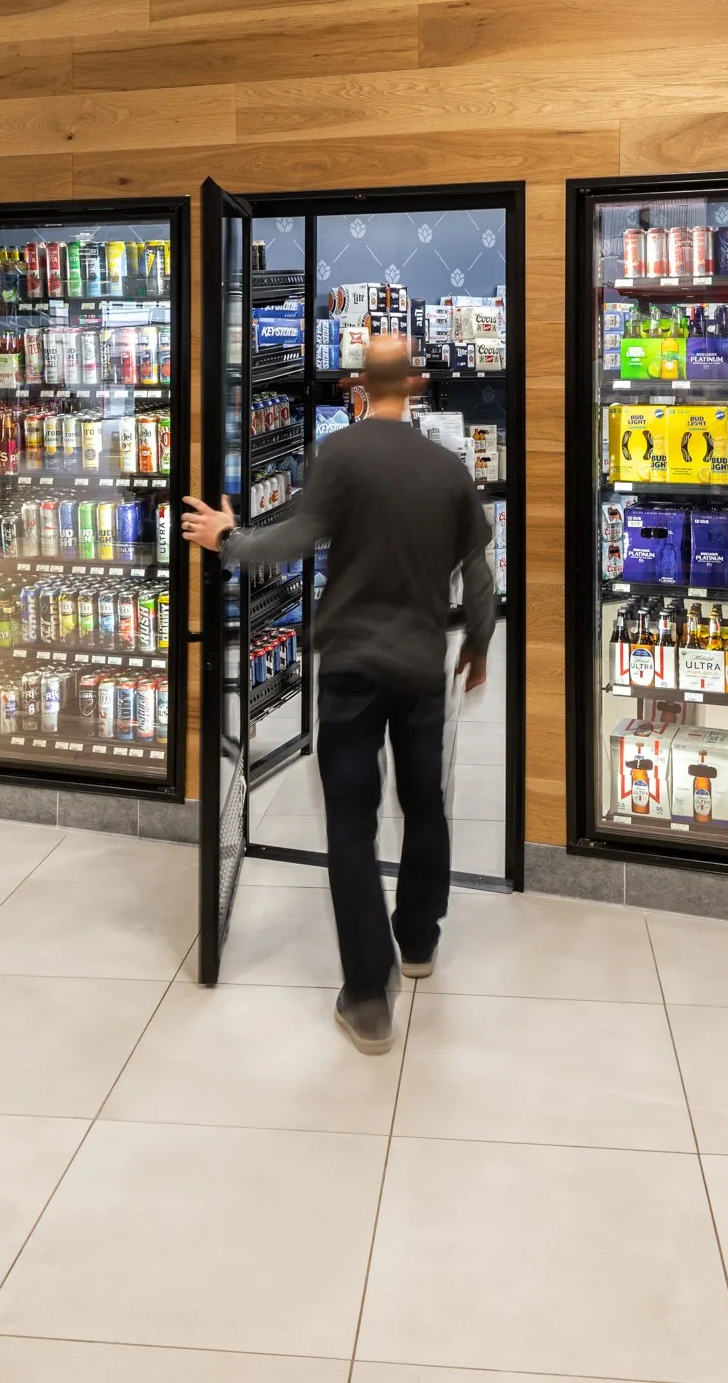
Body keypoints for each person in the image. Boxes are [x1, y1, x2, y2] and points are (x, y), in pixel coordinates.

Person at [184, 336, 494, 1054]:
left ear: (358, 384)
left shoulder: (341, 455)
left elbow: (299, 537)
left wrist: (229, 541)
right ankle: (417, 943)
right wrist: (476, 647)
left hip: (350, 669)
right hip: (420, 667)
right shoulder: (448, 468)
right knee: (424, 807)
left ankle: (366, 997)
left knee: (351, 825)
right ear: (415, 385)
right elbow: (476, 572)